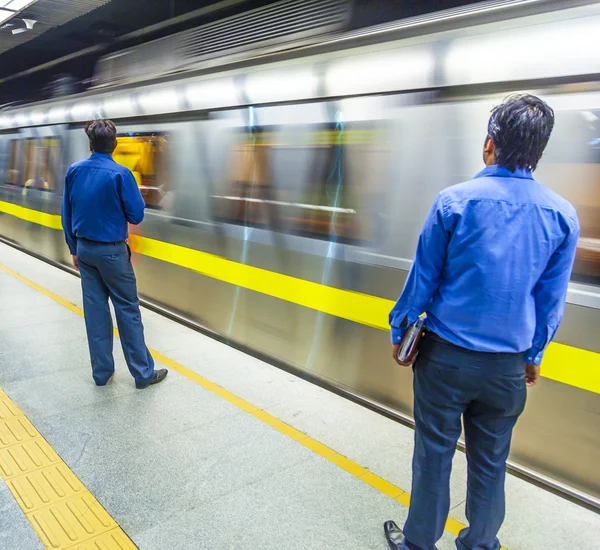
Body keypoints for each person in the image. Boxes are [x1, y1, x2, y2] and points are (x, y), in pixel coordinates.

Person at [384, 95, 579, 550]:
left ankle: (418, 544)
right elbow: (551, 301)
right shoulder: (562, 215)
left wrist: (401, 332)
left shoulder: (454, 202)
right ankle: (480, 544)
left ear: (489, 145)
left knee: (433, 455)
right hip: (507, 368)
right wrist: (534, 354)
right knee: (492, 461)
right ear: (538, 154)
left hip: (445, 361)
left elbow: (423, 280)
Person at [61, 120, 168, 389]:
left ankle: (102, 373)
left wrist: (74, 249)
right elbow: (136, 214)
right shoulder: (121, 175)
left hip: (84, 250)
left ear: (90, 144)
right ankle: (143, 374)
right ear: (115, 144)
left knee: (95, 313)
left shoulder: (74, 171)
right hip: (112, 253)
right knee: (127, 310)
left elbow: (67, 214)